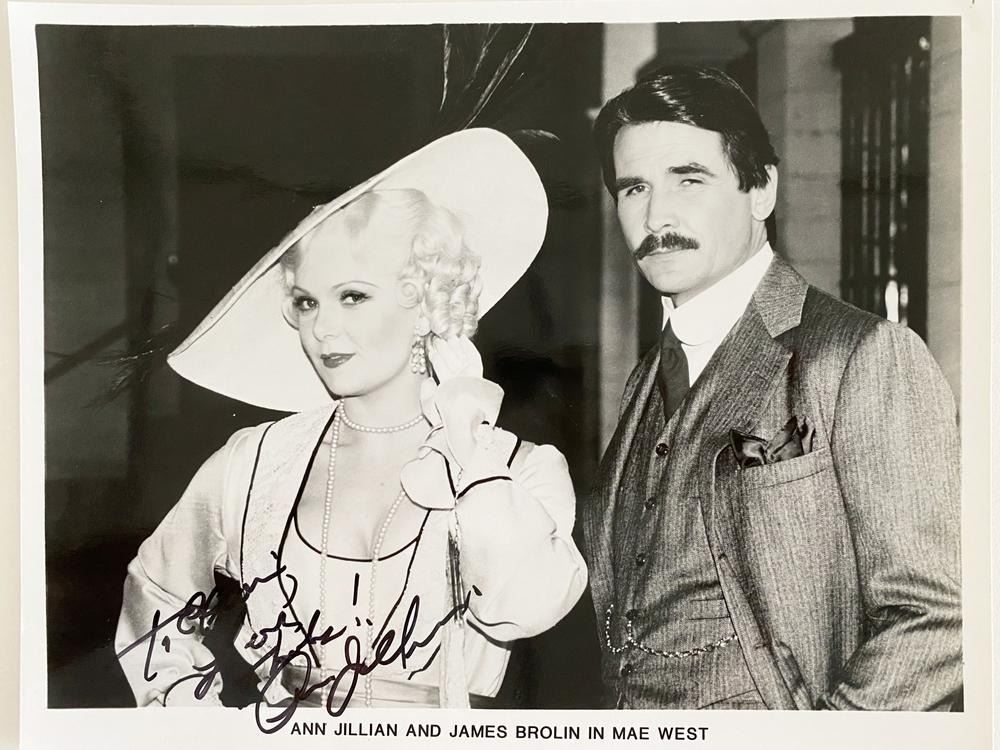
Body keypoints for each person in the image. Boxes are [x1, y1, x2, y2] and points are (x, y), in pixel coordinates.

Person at [115, 129, 588, 713]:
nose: (321, 329)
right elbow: (154, 598)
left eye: (353, 297)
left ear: (425, 302)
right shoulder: (252, 463)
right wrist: (201, 729)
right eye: (307, 302)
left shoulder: (514, 469)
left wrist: (467, 441)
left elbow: (530, 604)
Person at [581, 67, 961, 711]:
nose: (655, 214)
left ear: (761, 190)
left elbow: (938, 617)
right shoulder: (647, 377)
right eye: (634, 188)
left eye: (689, 180)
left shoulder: (863, 355)